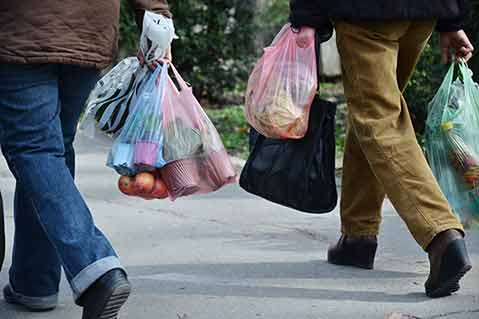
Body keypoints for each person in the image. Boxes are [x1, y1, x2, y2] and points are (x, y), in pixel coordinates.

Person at [290, 0, 474, 298]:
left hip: (367, 15)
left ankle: (441, 233)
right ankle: (358, 235)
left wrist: (306, 16)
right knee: (373, 113)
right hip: (422, 14)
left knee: (378, 120)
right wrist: (452, 19)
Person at [0, 0, 172, 317]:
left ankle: (96, 269)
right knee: (53, 151)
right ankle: (34, 282)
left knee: (35, 149)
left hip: (22, 27)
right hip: (90, 28)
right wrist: (158, 18)